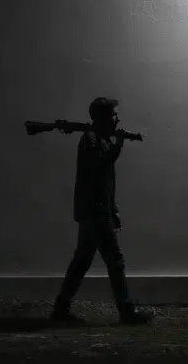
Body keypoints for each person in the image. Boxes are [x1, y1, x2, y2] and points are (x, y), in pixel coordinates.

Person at [51, 97, 152, 325]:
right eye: (114, 115)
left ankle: (60, 309)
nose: (118, 119)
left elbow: (106, 182)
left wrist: (113, 209)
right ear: (103, 118)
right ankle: (126, 312)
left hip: (96, 210)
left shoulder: (99, 138)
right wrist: (119, 145)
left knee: (82, 261)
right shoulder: (92, 140)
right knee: (114, 260)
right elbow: (99, 169)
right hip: (94, 212)